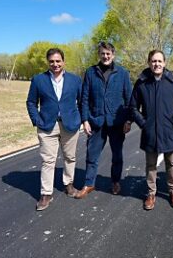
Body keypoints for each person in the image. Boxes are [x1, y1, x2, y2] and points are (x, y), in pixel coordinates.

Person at [26, 48, 83, 211]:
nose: (55, 64)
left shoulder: (75, 80)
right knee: (48, 160)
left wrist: (79, 119)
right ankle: (46, 194)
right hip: (47, 126)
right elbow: (31, 102)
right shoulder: (38, 80)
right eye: (52, 61)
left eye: (58, 61)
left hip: (70, 125)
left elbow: (82, 101)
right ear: (48, 62)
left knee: (70, 157)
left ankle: (69, 185)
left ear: (63, 62)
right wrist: (36, 120)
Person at [130, 50, 173, 210]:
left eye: (159, 61)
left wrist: (172, 123)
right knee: (151, 165)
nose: (157, 64)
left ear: (164, 62)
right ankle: (151, 194)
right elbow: (133, 107)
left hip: (168, 131)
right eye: (153, 61)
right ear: (149, 63)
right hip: (150, 132)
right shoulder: (141, 82)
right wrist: (144, 124)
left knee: (171, 164)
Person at [75, 41, 132, 199]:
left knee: (117, 156)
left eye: (108, 53)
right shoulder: (90, 72)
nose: (105, 56)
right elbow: (84, 99)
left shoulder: (122, 73)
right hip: (96, 122)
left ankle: (115, 181)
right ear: (99, 55)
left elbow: (129, 99)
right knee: (91, 156)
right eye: (102, 53)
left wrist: (128, 120)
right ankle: (89, 183)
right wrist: (85, 120)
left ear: (113, 55)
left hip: (117, 122)